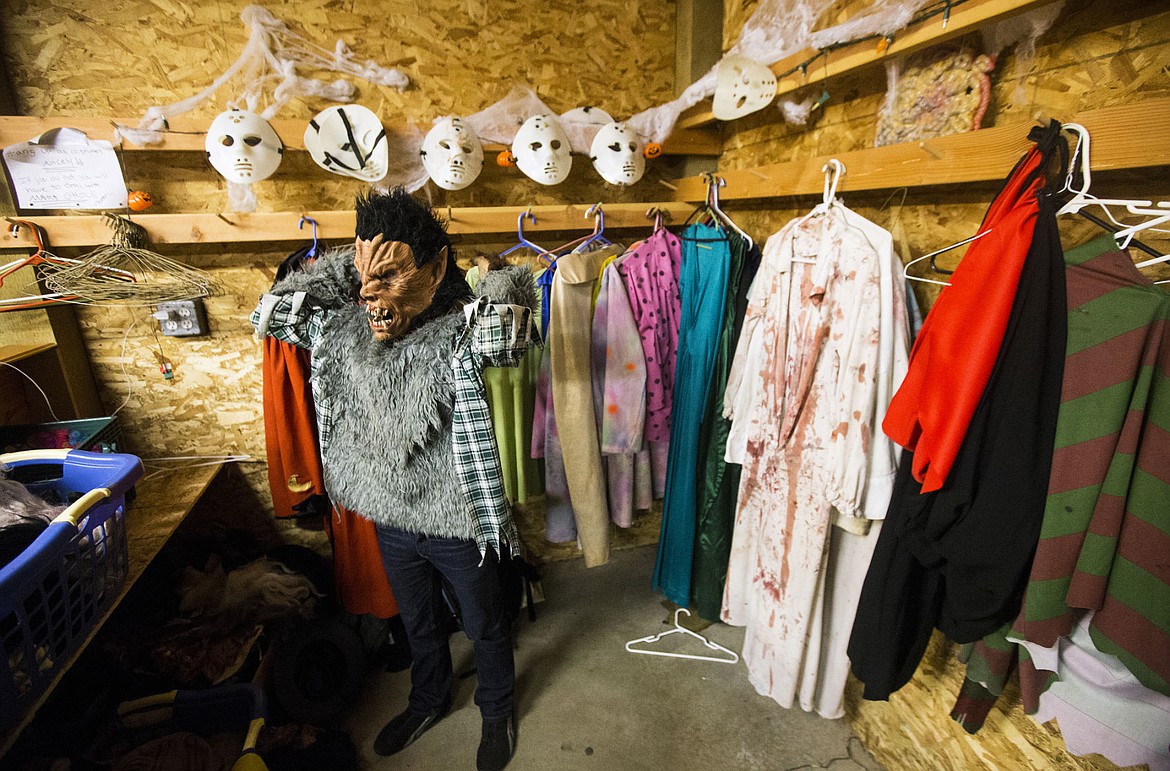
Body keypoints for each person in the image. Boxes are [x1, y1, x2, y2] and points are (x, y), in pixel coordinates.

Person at [251, 188, 536, 771]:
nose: (367, 295)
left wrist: (493, 279)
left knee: (485, 625)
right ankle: (429, 699)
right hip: (390, 514)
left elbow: (512, 332)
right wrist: (355, 264)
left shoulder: (460, 330)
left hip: (457, 517)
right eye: (362, 278)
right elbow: (271, 313)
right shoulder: (343, 329)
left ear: (434, 270)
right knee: (418, 620)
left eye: (390, 275)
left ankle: (497, 708)